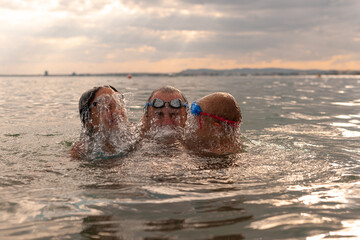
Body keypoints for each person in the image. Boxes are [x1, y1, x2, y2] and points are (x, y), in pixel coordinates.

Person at [71, 85, 135, 160]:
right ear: (88, 120)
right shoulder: (81, 151)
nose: (116, 112)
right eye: (104, 107)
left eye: (118, 105)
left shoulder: (135, 137)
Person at [184, 92, 242, 156]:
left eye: (195, 117)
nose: (189, 120)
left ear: (215, 129)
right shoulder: (236, 148)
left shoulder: (205, 155)